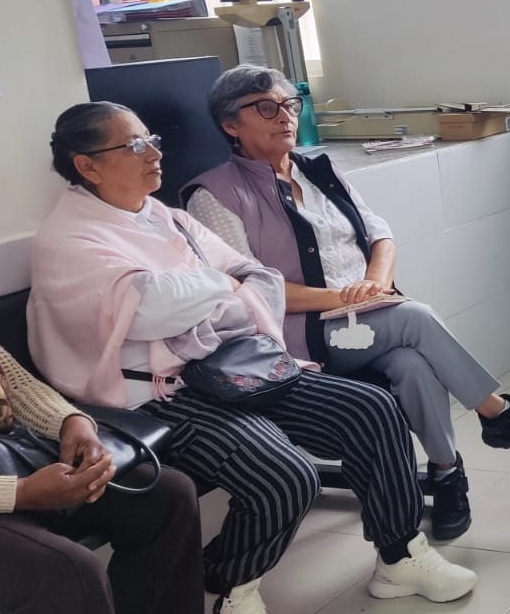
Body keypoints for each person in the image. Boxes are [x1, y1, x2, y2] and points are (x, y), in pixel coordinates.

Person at [28, 102, 478, 614]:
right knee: (286, 474)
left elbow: (259, 279)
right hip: (155, 396)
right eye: (135, 145)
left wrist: (206, 296)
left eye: (151, 139)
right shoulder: (69, 240)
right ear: (87, 165)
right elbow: (154, 308)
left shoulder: (166, 218)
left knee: (371, 409)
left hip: (230, 365)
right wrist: (222, 286)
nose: (154, 152)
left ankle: (400, 556)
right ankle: (228, 588)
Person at [184, 64, 510, 541]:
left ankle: (446, 473)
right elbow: (243, 287)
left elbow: (379, 234)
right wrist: (343, 298)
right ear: (230, 124)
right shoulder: (213, 196)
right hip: (299, 334)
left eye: (289, 104)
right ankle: (499, 414)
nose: (285, 116)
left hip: (365, 317)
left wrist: (372, 283)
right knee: (415, 318)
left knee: (412, 363)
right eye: (266, 108)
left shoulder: (319, 170)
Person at [0, 318, 203, 614]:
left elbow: (16, 384)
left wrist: (72, 422)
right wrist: (21, 492)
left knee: (169, 497)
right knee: (70, 572)